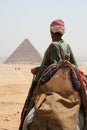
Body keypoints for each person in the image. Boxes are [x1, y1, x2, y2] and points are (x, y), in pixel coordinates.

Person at [19, 19, 85, 130]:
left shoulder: (53, 46)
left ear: (51, 32)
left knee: (31, 101)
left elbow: (54, 68)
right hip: (67, 84)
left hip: (52, 83)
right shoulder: (67, 45)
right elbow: (74, 66)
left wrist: (38, 70)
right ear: (63, 32)